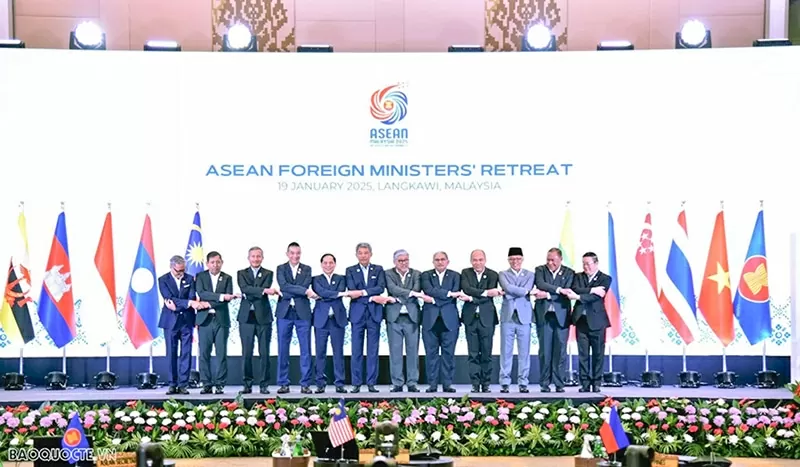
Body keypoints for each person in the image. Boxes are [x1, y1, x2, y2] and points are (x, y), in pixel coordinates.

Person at [158, 255, 208, 394]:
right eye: (178, 271)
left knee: (186, 353)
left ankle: (183, 384)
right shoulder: (163, 280)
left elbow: (191, 297)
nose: (181, 273)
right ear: (171, 267)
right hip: (170, 322)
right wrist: (188, 303)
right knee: (171, 353)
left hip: (187, 321)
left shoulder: (190, 278)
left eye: (183, 270)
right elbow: (169, 298)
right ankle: (172, 383)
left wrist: (184, 304)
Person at [564, 252, 612, 393]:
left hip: (597, 321)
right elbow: (575, 289)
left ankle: (596, 382)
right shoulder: (577, 277)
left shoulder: (605, 278)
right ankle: (584, 383)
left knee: (598, 354)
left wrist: (578, 296)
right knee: (583, 354)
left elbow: (596, 297)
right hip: (581, 321)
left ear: (596, 263)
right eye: (583, 264)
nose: (585, 267)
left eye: (588, 264)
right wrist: (591, 290)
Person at [420, 251, 466, 393]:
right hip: (430, 320)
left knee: (449, 354)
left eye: (442, 259)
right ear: (433, 262)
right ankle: (432, 384)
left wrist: (434, 298)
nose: (440, 262)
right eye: (437, 260)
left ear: (448, 261)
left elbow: (455, 292)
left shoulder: (455, 275)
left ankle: (447, 384)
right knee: (431, 354)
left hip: (449, 320)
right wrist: (448, 294)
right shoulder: (425, 275)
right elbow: (428, 290)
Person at [237, 246, 279, 394]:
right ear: (248, 258)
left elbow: (251, 290)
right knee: (246, 352)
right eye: (253, 256)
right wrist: (262, 291)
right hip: (246, 318)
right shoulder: (241, 273)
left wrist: (254, 291)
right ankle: (247, 384)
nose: (256, 259)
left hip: (264, 317)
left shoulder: (268, 273)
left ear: (262, 258)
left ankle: (264, 384)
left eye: (258, 256)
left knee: (264, 352)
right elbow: (244, 288)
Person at [345, 242, 387, 393]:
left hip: (374, 314)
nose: (363, 255)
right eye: (360, 253)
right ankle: (356, 383)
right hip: (357, 315)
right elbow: (351, 290)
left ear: (371, 254)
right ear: (356, 255)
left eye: (366, 253)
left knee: (372, 350)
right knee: (356, 350)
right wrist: (370, 296)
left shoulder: (378, 269)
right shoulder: (350, 270)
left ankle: (371, 383)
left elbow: (380, 288)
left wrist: (362, 293)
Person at [195, 251, 238, 394]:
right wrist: (220, 296)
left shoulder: (227, 278)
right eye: (212, 262)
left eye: (218, 262)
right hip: (204, 320)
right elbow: (202, 294)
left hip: (221, 320)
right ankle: (206, 383)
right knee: (204, 353)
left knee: (221, 353)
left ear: (222, 262)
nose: (215, 265)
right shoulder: (201, 277)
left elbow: (228, 298)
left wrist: (209, 303)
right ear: (207, 263)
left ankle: (220, 384)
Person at [533, 248, 575, 393]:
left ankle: (559, 383)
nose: (550, 263)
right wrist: (558, 290)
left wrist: (548, 295)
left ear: (560, 259)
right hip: (544, 316)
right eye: (548, 260)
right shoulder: (540, 270)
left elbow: (567, 292)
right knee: (545, 351)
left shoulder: (569, 273)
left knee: (560, 351)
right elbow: (541, 284)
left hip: (561, 317)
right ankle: (544, 383)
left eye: (553, 260)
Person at [459, 249, 501, 393]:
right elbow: (467, 288)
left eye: (480, 259)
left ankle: (486, 383)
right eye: (475, 260)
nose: (477, 262)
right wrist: (484, 293)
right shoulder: (465, 273)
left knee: (486, 352)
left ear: (485, 260)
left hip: (487, 318)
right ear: (471, 261)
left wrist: (472, 298)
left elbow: (489, 296)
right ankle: (475, 384)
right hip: (470, 318)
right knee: (473, 353)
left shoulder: (493, 274)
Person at [275, 242, 314, 394]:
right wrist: (304, 291)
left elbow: (286, 289)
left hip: (302, 313)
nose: (295, 256)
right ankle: (283, 383)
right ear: (287, 253)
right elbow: (283, 285)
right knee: (283, 349)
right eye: (292, 253)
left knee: (305, 349)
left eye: (298, 253)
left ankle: (305, 383)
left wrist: (289, 291)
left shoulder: (307, 269)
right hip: (285, 313)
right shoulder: (280, 268)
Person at [497, 247, 535, 394]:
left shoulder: (530, 274)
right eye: (512, 259)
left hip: (524, 317)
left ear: (522, 259)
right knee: (505, 351)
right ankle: (505, 382)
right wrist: (525, 292)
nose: (515, 262)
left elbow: (512, 290)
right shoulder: (503, 274)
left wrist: (510, 292)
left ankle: (523, 382)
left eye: (518, 259)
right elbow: (507, 287)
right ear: (508, 260)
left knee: (524, 352)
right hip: (508, 316)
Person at [384, 249, 423, 393]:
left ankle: (412, 382)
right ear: (394, 262)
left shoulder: (416, 273)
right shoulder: (388, 273)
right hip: (394, 318)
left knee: (413, 351)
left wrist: (401, 297)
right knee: (395, 351)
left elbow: (417, 288)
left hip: (411, 318)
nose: (404, 263)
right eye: (400, 261)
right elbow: (392, 288)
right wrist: (411, 293)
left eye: (406, 260)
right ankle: (397, 383)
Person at [310, 253, 348, 394]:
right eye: (325, 263)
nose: (328, 265)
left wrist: (327, 295)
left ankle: (339, 383)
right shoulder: (315, 279)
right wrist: (336, 294)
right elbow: (321, 291)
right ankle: (320, 383)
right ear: (321, 264)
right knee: (320, 353)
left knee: (338, 352)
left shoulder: (341, 279)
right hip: (321, 320)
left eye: (331, 262)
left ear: (335, 264)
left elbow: (335, 292)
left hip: (337, 320)